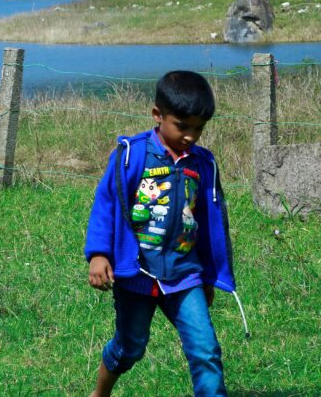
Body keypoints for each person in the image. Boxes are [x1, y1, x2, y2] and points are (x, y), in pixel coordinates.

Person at [84, 71, 242, 397]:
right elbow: (107, 204)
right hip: (136, 274)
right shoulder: (131, 155)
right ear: (158, 115)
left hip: (185, 275)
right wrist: (99, 254)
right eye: (182, 126)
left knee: (206, 350)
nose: (190, 136)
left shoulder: (202, 164)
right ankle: (100, 393)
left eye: (198, 128)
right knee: (131, 347)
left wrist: (210, 277)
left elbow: (209, 223)